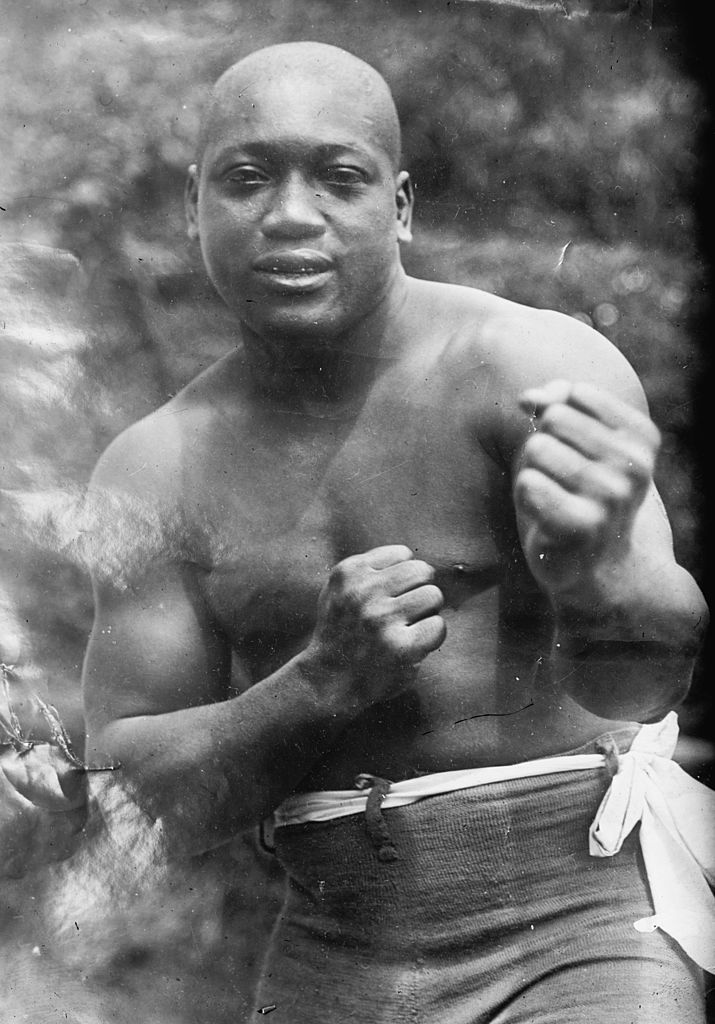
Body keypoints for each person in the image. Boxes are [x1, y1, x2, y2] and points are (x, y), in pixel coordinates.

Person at [80, 41, 712, 1023]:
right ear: (192, 207)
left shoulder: (530, 366)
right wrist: (317, 685)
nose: (291, 216)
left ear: (401, 206)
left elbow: (645, 679)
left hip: (580, 919)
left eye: (339, 178)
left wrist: (598, 575)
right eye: (247, 179)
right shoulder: (152, 468)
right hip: (336, 951)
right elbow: (128, 796)